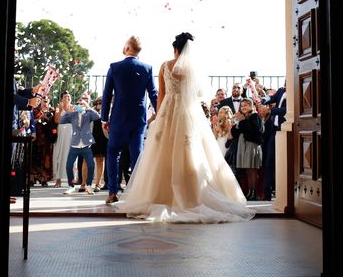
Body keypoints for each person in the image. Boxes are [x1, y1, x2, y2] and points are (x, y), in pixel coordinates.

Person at [117, 32, 255, 223]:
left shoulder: (165, 65)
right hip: (188, 114)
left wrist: (159, 118)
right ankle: (192, 194)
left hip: (168, 113)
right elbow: (198, 94)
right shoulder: (193, 69)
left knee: (162, 154)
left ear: (175, 49)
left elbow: (162, 96)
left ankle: (160, 195)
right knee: (191, 154)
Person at [101, 36, 158, 204]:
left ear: (127, 47)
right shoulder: (147, 68)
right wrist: (160, 111)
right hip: (139, 119)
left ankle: (112, 191)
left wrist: (104, 118)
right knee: (137, 156)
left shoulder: (115, 67)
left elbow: (107, 95)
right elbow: (153, 94)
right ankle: (137, 194)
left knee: (113, 153)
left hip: (118, 118)